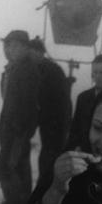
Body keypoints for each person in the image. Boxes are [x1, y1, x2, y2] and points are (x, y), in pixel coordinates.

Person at [0, 30, 41, 204]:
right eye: (8, 45)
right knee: (18, 165)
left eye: (14, 46)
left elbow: (29, 102)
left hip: (17, 129)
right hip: (12, 128)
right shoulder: (16, 67)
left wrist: (19, 128)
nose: (9, 49)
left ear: (24, 47)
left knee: (6, 166)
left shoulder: (27, 69)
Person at [29, 36, 73, 189]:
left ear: (41, 53)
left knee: (51, 156)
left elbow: (62, 100)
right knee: (48, 155)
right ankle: (46, 186)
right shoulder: (42, 68)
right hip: (49, 121)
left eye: (35, 52)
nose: (32, 56)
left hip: (57, 121)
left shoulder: (50, 70)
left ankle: (47, 188)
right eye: (30, 53)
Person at [67, 53, 102, 149]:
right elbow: (75, 129)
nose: (97, 76)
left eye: (101, 73)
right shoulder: (83, 97)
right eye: (94, 72)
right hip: (85, 152)